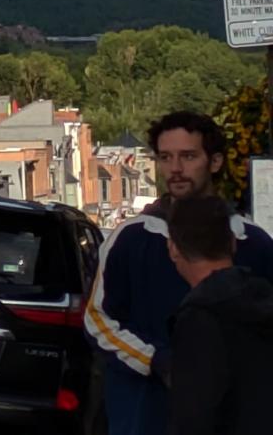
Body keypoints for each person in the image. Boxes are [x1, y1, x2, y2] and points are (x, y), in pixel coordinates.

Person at [85, 111, 273, 435]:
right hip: (144, 416)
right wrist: (157, 360)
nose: (175, 169)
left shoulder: (253, 241)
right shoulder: (131, 238)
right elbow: (98, 320)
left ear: (214, 162)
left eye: (188, 156)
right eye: (165, 157)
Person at [163, 191, 273, 434]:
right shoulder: (263, 296)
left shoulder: (200, 319)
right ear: (233, 242)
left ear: (173, 248)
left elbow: (195, 416)